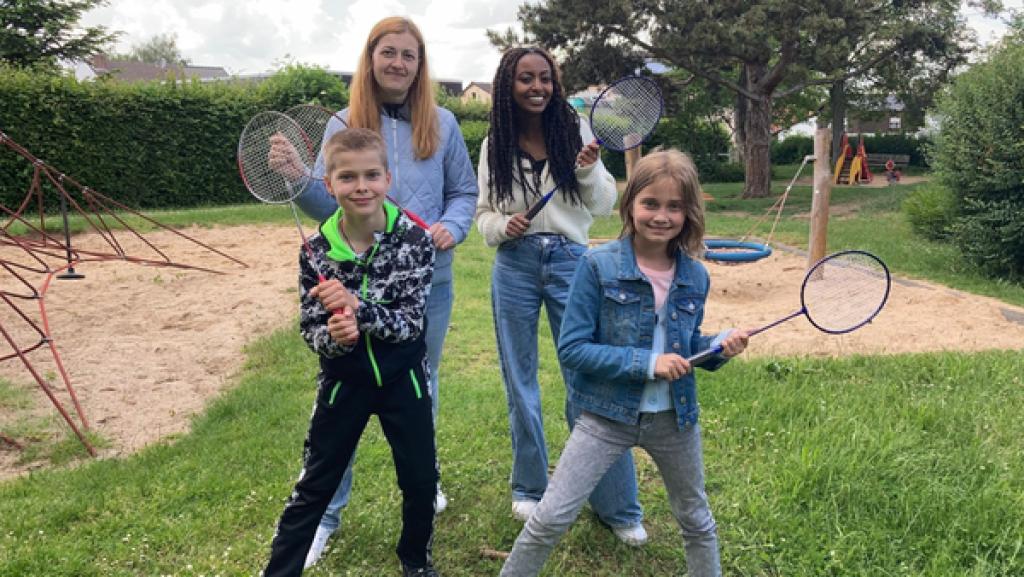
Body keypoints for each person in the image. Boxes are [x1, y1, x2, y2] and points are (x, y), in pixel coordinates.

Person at [274, 16, 478, 567]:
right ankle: (325, 515)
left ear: (420, 63)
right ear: (371, 58)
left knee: (418, 384)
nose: (398, 63)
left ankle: (423, 479)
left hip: (425, 280)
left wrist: (451, 227)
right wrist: (296, 176)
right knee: (340, 397)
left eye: (409, 54)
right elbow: (327, 200)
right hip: (351, 282)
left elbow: (464, 192)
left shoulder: (443, 122)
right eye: (389, 52)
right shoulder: (343, 122)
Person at [499, 149, 751, 577]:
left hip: (674, 418)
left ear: (689, 212)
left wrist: (718, 347)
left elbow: (686, 346)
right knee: (550, 517)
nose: (661, 216)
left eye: (674, 206)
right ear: (630, 204)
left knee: (696, 520)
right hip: (605, 415)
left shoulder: (696, 275)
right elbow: (573, 349)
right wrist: (648, 364)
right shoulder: (596, 266)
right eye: (650, 203)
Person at [474, 47, 646, 545]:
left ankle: (617, 506)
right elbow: (483, 213)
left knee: (589, 376)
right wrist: (502, 226)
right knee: (519, 380)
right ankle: (529, 486)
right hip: (515, 263)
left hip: (572, 262)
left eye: (545, 78)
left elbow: (605, 204)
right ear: (508, 85)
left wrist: (589, 168)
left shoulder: (578, 131)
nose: (537, 87)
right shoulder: (494, 142)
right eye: (525, 78)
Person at [261, 128, 440, 577]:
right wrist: (334, 337)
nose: (361, 187)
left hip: (405, 380)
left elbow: (410, 324)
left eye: (372, 175)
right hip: (344, 383)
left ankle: (415, 560)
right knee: (314, 485)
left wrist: (359, 309)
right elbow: (310, 328)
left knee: (420, 481)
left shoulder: (415, 240)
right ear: (328, 184)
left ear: (387, 179)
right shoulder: (315, 250)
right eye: (347, 177)